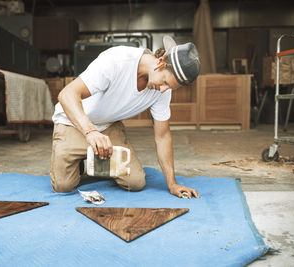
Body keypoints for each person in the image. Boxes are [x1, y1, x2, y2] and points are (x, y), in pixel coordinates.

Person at [50, 35, 200, 198]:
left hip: (107, 125)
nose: (163, 90)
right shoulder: (117, 60)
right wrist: (90, 132)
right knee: (63, 186)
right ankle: (82, 158)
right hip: (73, 122)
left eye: (170, 87)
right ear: (161, 62)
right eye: (164, 82)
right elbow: (67, 94)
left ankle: (95, 156)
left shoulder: (162, 90)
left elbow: (163, 136)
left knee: (135, 183)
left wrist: (172, 184)